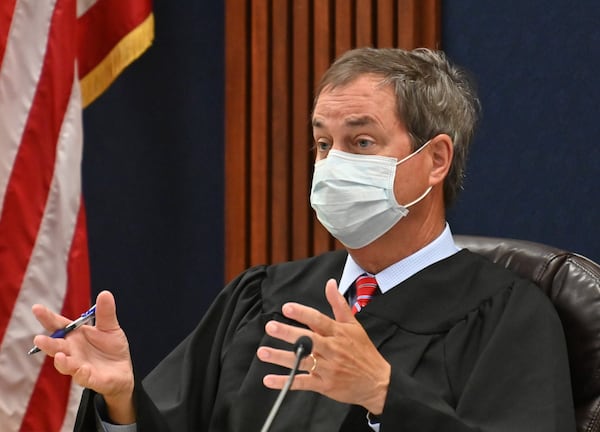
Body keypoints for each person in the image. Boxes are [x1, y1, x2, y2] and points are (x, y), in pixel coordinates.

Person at [32, 47, 575, 431]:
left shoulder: (508, 317)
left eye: (361, 142)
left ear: (434, 160)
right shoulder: (265, 297)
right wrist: (122, 401)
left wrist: (386, 397)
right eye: (322, 144)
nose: (333, 164)